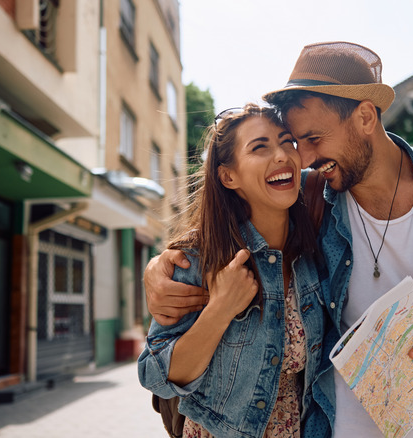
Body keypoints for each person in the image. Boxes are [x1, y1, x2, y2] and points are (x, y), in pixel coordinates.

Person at [145, 42, 413, 437]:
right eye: (296, 141)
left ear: (364, 117)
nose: (302, 158)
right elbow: (231, 218)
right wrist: (160, 266)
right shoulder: (306, 199)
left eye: (311, 138)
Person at [138, 104, 332, 438]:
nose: (282, 155)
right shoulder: (197, 260)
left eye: (287, 142)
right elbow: (155, 375)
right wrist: (221, 309)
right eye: (260, 147)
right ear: (229, 176)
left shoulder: (314, 252)